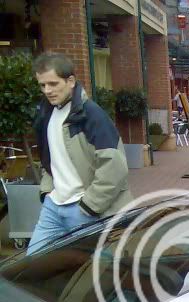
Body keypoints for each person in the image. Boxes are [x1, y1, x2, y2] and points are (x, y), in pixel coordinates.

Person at [29, 52, 131, 255]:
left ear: (70, 81)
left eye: (53, 83)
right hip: (54, 206)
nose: (47, 90)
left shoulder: (91, 114)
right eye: (43, 85)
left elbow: (115, 166)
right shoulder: (46, 114)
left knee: (97, 268)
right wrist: (47, 191)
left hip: (85, 209)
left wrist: (89, 205)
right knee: (33, 263)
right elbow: (49, 159)